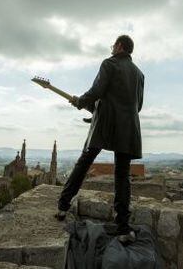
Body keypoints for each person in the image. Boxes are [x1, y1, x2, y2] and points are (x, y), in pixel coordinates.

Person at [55, 35, 144, 244]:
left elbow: (97, 91)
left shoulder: (109, 63)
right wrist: (94, 111)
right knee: (122, 175)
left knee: (84, 162)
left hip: (106, 124)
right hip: (129, 127)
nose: (112, 48)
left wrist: (80, 101)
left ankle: (62, 206)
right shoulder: (140, 74)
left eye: (113, 45)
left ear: (119, 46)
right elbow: (137, 105)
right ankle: (123, 227)